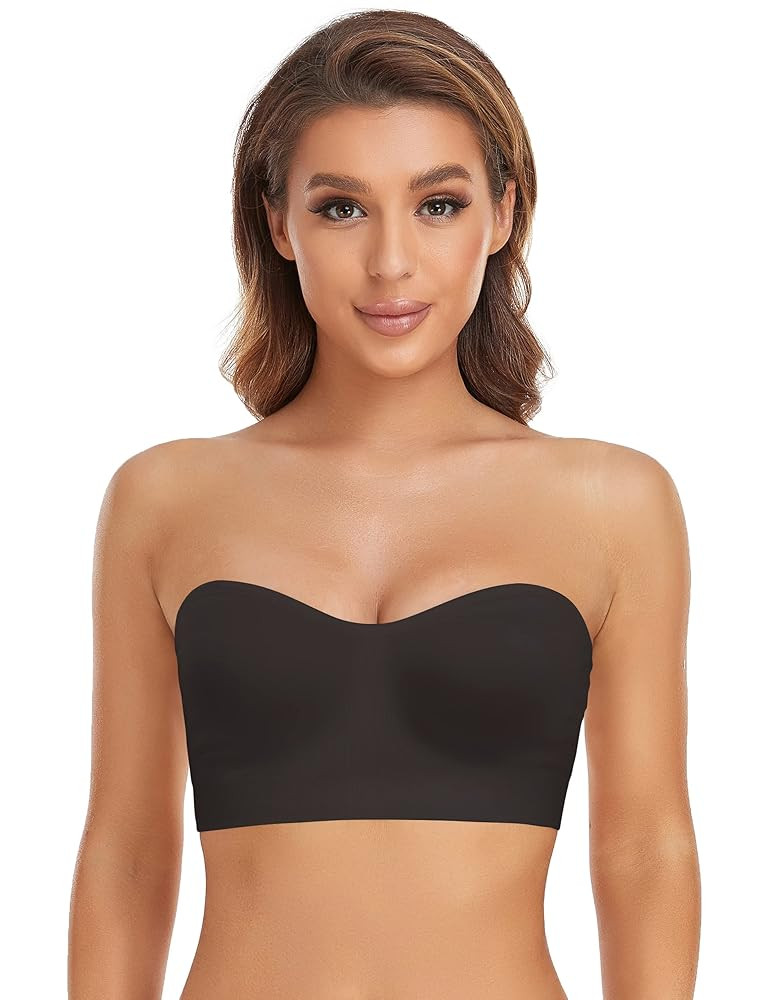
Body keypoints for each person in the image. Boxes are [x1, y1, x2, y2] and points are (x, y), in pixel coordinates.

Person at [67, 9, 701, 999]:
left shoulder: (613, 504)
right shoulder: (164, 499)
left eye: (437, 204)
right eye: (341, 208)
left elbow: (644, 850)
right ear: (278, 223)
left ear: (503, 213)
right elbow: (127, 854)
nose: (391, 262)